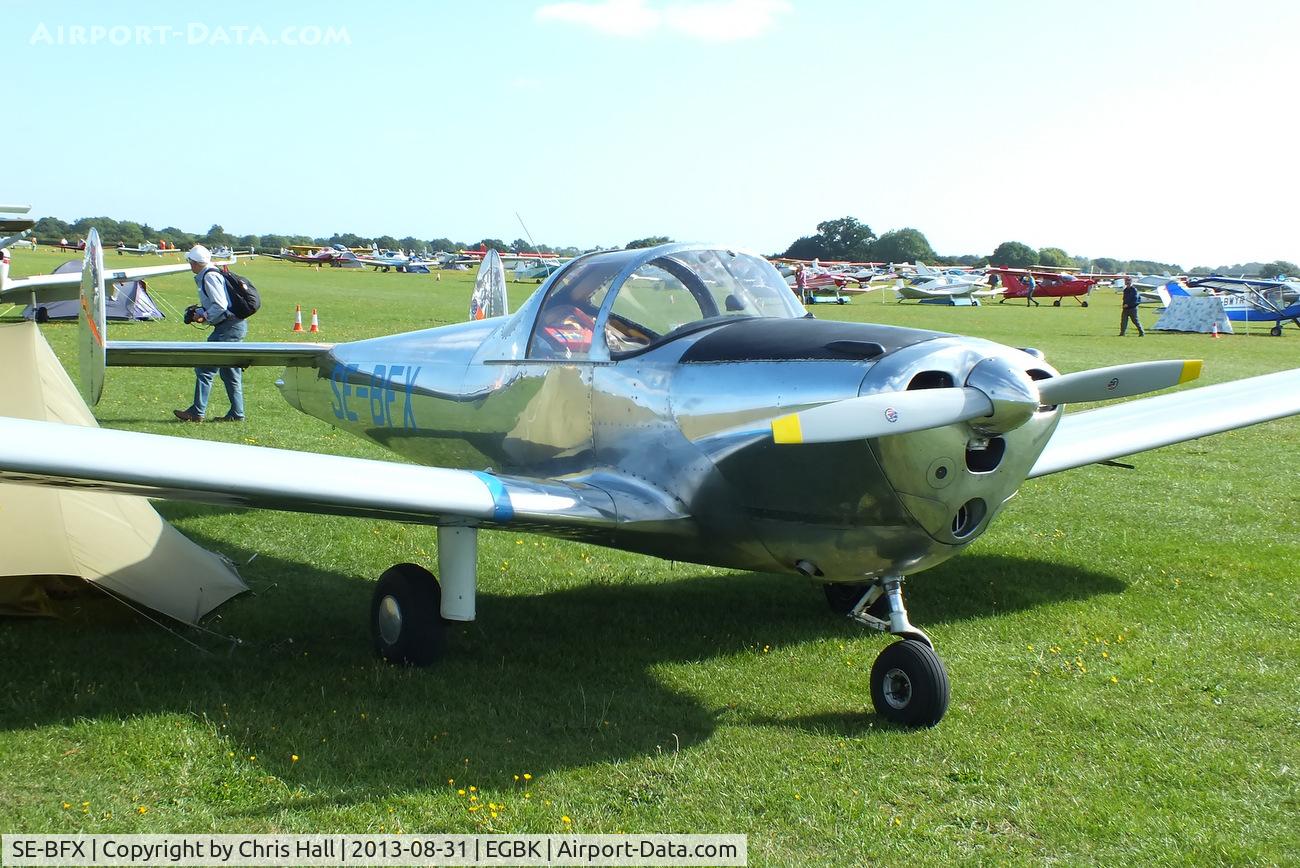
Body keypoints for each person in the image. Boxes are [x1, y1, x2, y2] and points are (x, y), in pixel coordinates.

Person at [173, 244, 248, 422]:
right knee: (230, 372)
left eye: (190, 261)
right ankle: (237, 414)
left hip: (228, 328)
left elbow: (220, 305)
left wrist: (204, 316)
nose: (189, 264)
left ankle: (197, 412)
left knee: (205, 367)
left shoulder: (209, 276)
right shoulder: (211, 273)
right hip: (233, 325)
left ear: (196, 262)